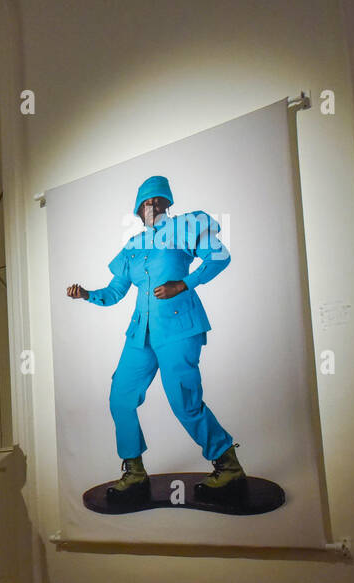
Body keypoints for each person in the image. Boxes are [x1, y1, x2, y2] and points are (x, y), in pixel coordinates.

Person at [66, 175, 247, 504]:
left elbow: (219, 257)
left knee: (183, 403)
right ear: (136, 210)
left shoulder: (186, 226)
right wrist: (89, 294)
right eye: (143, 203)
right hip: (141, 335)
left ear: (167, 203)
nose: (150, 207)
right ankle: (134, 473)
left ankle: (228, 466)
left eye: (156, 201)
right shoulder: (132, 247)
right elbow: (116, 291)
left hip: (179, 329)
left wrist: (184, 283)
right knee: (120, 397)